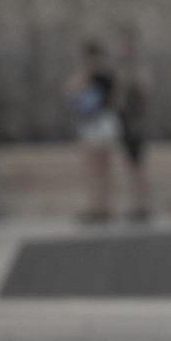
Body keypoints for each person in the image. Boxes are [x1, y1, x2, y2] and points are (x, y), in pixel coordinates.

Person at [64, 41, 119, 222]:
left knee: (100, 168)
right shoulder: (95, 75)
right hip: (96, 122)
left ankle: (101, 205)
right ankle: (97, 205)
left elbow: (73, 91)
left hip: (100, 121)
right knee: (96, 168)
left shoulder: (101, 75)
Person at [114, 35, 152, 223]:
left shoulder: (137, 74)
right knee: (130, 166)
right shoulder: (123, 72)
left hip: (134, 122)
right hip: (125, 122)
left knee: (137, 166)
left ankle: (142, 205)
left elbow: (142, 95)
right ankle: (137, 204)